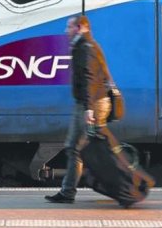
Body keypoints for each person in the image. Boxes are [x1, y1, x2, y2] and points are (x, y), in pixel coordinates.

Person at [45, 15, 121, 203]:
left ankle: (119, 186)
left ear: (80, 28)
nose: (65, 31)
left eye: (68, 27)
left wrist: (88, 109)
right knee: (85, 148)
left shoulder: (84, 48)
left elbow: (89, 79)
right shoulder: (88, 45)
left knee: (77, 148)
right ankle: (70, 191)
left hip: (91, 104)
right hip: (94, 103)